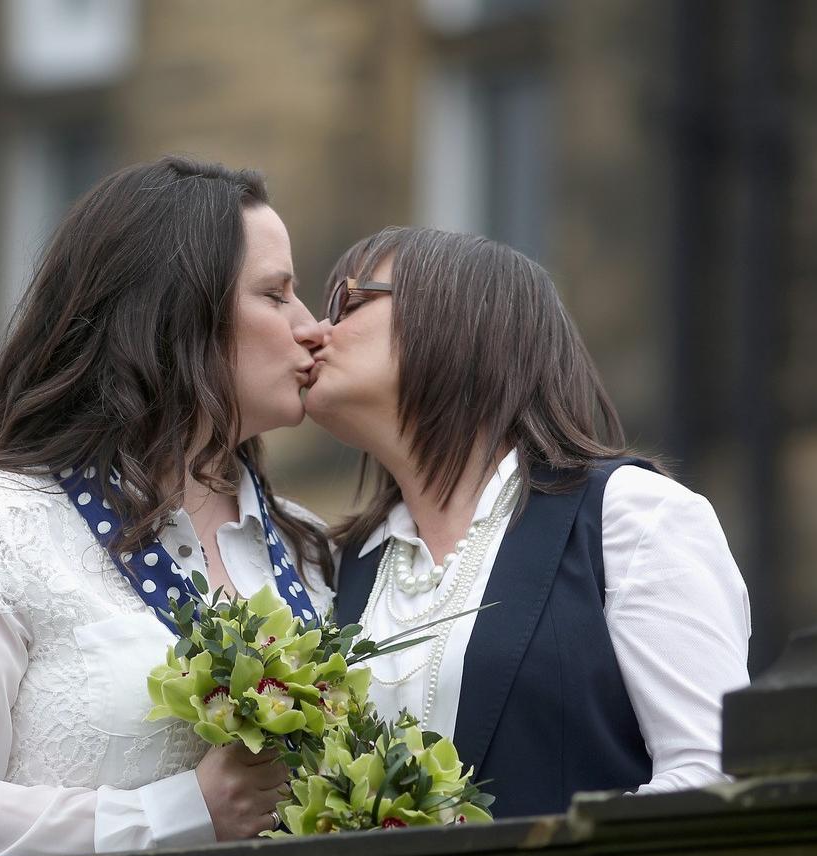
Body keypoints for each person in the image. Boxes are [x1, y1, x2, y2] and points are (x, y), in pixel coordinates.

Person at [0, 157, 334, 856]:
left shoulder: (312, 548)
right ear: (178, 314)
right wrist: (181, 815)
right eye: (276, 294)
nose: (311, 327)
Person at [303, 226, 750, 816]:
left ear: (455, 318)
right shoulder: (336, 568)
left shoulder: (629, 517)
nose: (314, 331)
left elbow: (714, 771)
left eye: (348, 302)